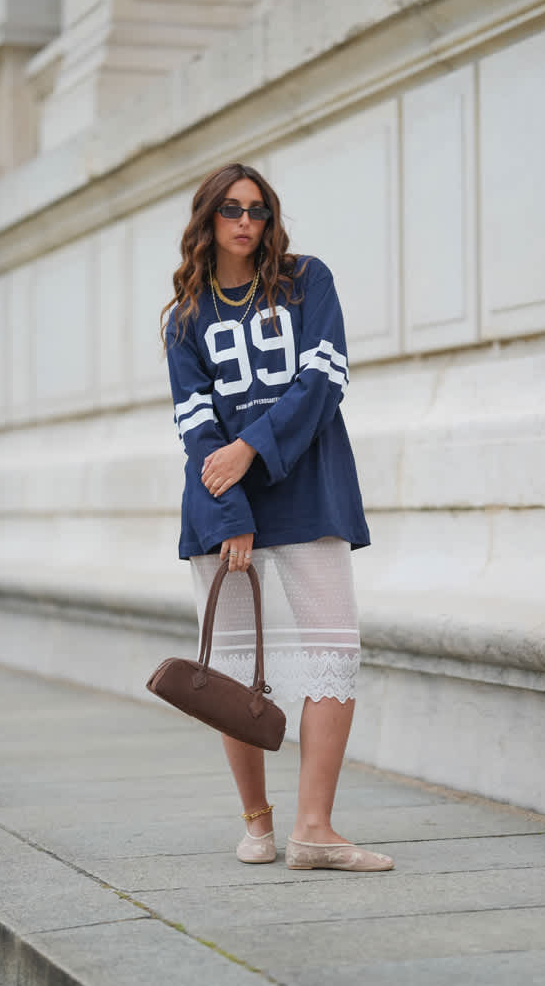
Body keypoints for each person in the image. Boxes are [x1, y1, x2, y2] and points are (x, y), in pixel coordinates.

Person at [161, 162, 393, 873]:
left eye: (258, 210)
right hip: (222, 508)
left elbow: (327, 377)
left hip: (309, 490)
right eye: (230, 209)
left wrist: (251, 449)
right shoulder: (187, 319)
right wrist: (229, 509)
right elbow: (195, 426)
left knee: (332, 653)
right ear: (207, 219)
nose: (245, 222)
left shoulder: (304, 281)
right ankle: (257, 825)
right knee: (233, 674)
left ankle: (314, 829)